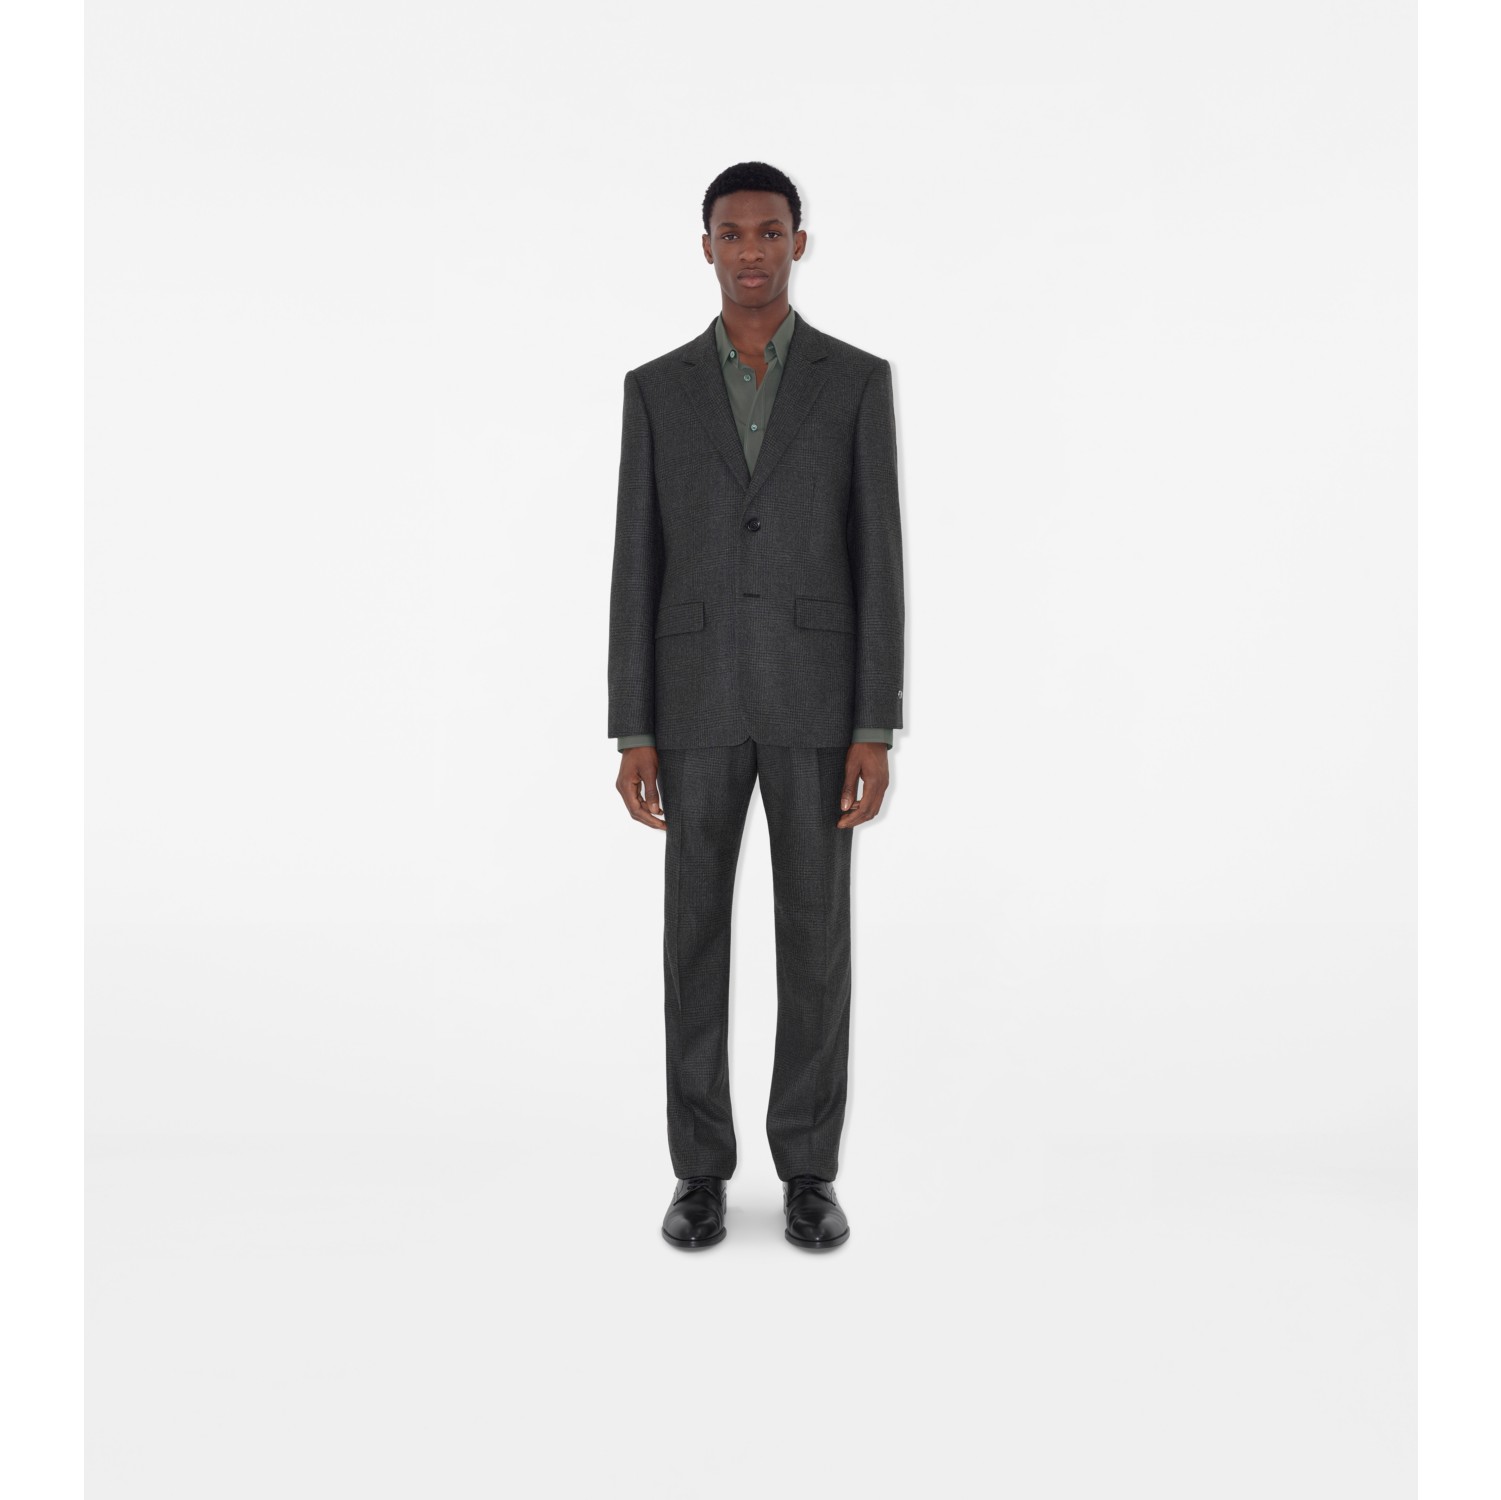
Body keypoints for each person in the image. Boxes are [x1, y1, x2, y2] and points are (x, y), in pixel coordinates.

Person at [607, 160, 905, 1251]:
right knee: (691, 938)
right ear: (706, 248)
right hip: (690, 702)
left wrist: (873, 724)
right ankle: (698, 1173)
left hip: (816, 704)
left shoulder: (855, 381)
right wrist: (633, 726)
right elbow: (635, 560)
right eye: (731, 233)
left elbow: (878, 556)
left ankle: (808, 1172)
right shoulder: (655, 388)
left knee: (814, 941)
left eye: (769, 232)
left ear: (798, 244)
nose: (750, 250)